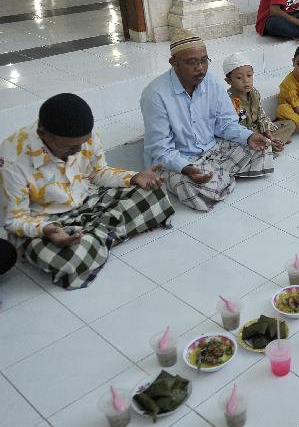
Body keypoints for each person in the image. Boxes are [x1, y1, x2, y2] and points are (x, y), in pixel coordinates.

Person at [2, 93, 174, 289]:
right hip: (49, 221)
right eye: (70, 147)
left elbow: (99, 173)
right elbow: (14, 219)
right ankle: (106, 236)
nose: (78, 151)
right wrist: (47, 230)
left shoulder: (85, 137)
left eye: (82, 143)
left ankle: (94, 242)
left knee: (154, 193)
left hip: (90, 200)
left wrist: (134, 177)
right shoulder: (12, 158)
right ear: (43, 133)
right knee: (68, 261)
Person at [141, 31, 273, 212]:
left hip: (212, 147)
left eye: (204, 60)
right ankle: (222, 174)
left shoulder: (212, 83)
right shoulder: (155, 94)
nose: (200, 68)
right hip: (180, 159)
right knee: (190, 187)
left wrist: (249, 136)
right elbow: (161, 149)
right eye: (192, 62)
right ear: (174, 63)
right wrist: (186, 168)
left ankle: (218, 176)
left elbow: (226, 124)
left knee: (262, 148)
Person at [224, 54, 295, 155]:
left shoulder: (254, 93)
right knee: (239, 149)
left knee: (290, 124)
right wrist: (255, 137)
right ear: (228, 80)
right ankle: (271, 145)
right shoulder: (228, 100)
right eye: (239, 77)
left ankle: (271, 143)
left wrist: (270, 136)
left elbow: (261, 117)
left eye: (249, 75)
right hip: (246, 137)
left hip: (258, 130)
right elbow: (235, 129)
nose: (246, 81)